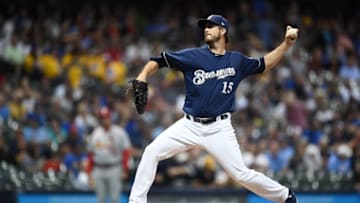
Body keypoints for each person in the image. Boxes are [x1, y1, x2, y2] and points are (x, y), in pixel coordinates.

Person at [129, 14, 300, 203]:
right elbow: (159, 60)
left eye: (211, 26)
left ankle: (286, 196)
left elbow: (263, 64)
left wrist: (286, 44)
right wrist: (143, 74)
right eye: (205, 27)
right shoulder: (193, 56)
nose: (206, 29)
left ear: (223, 30)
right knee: (151, 152)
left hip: (219, 128)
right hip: (189, 125)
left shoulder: (236, 60)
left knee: (240, 174)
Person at [88, 106, 132, 203]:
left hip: (114, 168)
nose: (105, 120)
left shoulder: (119, 132)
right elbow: (91, 155)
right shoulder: (95, 134)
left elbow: (126, 152)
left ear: (110, 117)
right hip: (98, 169)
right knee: (100, 199)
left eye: (106, 117)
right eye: (102, 118)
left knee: (114, 199)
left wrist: (125, 169)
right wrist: (90, 173)